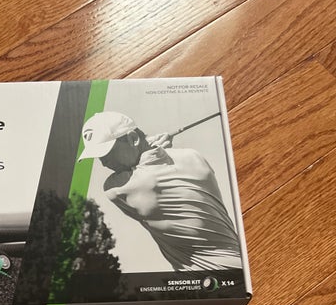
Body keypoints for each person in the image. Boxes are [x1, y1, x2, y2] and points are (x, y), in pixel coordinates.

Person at [78, 111, 242, 271]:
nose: (104, 163)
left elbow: (146, 173)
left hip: (210, 278)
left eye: (107, 153)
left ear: (133, 138)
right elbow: (155, 160)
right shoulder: (194, 157)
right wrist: (152, 147)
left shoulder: (117, 188)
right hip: (239, 262)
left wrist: (152, 147)